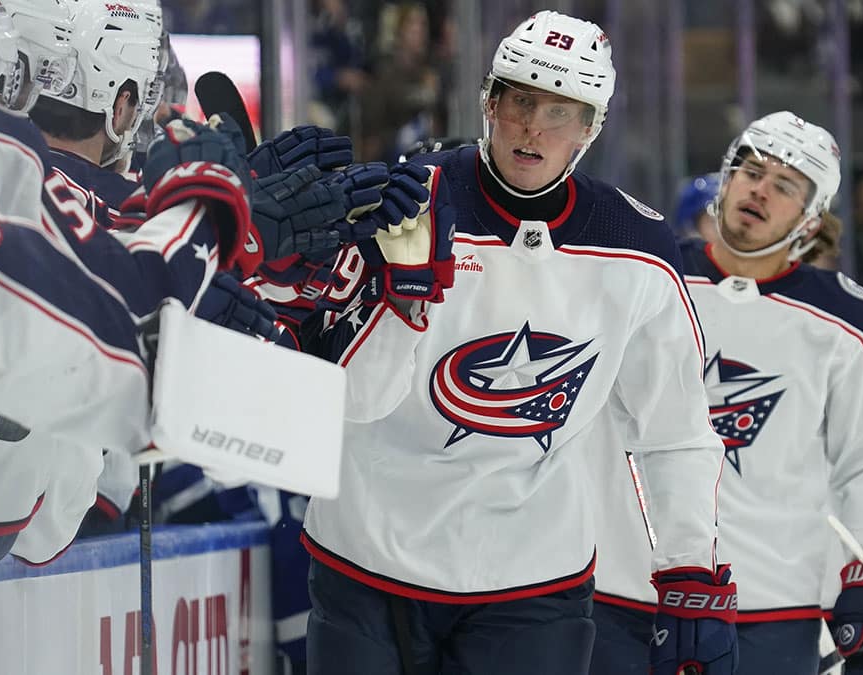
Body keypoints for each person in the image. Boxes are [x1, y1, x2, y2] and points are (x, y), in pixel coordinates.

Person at [301, 11, 736, 675]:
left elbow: (674, 426)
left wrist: (690, 568)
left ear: (591, 128)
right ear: (489, 103)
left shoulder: (637, 248)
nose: (534, 126)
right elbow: (347, 402)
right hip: (370, 557)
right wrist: (403, 299)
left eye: (561, 111)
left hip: (534, 576)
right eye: (521, 100)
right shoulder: (402, 202)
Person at [590, 112, 863, 675]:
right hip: (618, 594)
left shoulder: (848, 320)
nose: (760, 190)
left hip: (768, 612)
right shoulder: (647, 273)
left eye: (786, 186)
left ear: (812, 219)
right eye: (750, 171)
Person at [0, 0, 262, 562]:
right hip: (38, 527)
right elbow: (131, 311)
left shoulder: (34, 194)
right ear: (121, 101)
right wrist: (211, 213)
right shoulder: (32, 204)